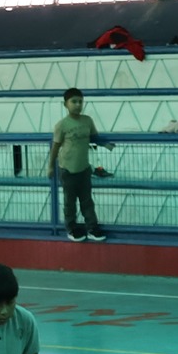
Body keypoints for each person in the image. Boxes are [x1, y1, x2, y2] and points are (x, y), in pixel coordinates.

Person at [48, 88, 107, 243]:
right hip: (67, 169)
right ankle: (72, 228)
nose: (78, 105)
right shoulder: (61, 125)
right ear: (65, 104)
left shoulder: (87, 121)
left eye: (80, 101)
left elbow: (95, 138)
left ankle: (92, 228)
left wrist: (106, 144)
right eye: (74, 101)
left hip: (84, 169)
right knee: (70, 202)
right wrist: (50, 166)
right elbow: (55, 146)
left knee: (87, 200)